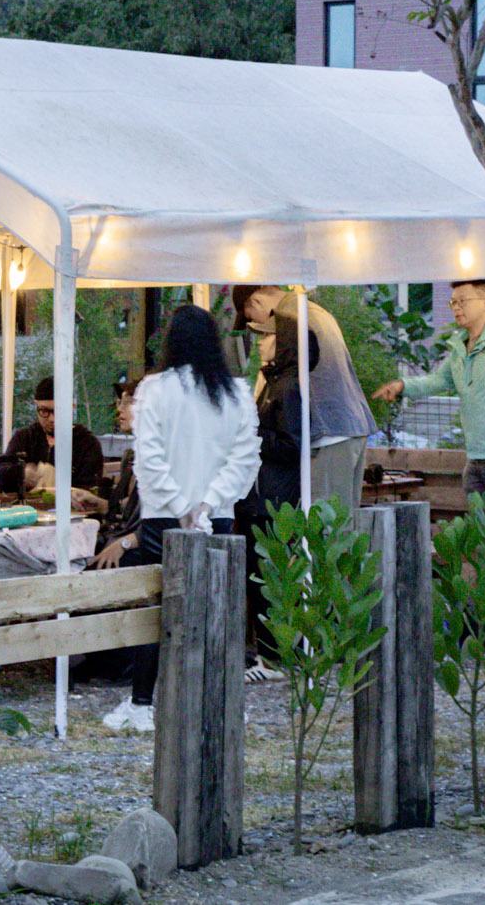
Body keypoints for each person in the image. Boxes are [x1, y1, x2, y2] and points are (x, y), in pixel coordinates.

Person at [103, 304, 260, 733]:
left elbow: (148, 457)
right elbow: (245, 457)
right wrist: (208, 505)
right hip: (218, 519)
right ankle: (220, 701)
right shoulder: (236, 392)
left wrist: (180, 507)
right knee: (218, 610)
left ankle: (142, 703)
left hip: (162, 520)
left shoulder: (155, 389)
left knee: (157, 610)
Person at [373, 278, 485, 504]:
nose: (456, 307)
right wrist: (403, 386)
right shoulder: (461, 347)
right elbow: (439, 379)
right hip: (474, 455)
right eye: (453, 302)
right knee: (480, 528)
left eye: (463, 301)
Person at [231, 284, 376, 511]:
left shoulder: (290, 316)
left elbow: (289, 381)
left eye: (257, 323)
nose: (260, 337)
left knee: (326, 528)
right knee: (345, 524)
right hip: (352, 426)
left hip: (329, 432)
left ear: (256, 302)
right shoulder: (314, 310)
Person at [240, 308, 318, 683]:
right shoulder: (274, 382)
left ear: (284, 343)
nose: (259, 342)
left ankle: (275, 659)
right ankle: (270, 655)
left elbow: (292, 444)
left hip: (276, 497)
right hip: (265, 494)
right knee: (262, 577)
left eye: (266, 335)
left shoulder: (287, 387)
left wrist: (251, 437)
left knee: (271, 577)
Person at [0, 374, 106, 496]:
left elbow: (91, 489)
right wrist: (20, 473)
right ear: (36, 406)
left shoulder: (87, 444)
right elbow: (0, 471)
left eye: (58, 411)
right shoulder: (25, 437)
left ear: (71, 408)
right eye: (44, 411)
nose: (52, 419)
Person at [90, 373, 145, 568]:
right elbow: (132, 508)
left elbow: (164, 522)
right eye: (119, 403)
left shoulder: (163, 456)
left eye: (127, 402)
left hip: (146, 551)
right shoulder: (134, 455)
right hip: (123, 537)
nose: (119, 409)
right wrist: (99, 503)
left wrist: (122, 544)